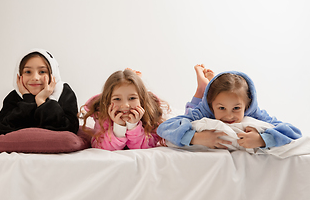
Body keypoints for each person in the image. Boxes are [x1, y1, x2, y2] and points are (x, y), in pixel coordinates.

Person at [157, 66, 302, 149]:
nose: (229, 116)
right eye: (221, 108)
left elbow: (295, 133)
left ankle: (207, 84)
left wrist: (263, 139)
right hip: (200, 104)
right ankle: (202, 88)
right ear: (211, 104)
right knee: (189, 111)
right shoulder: (203, 110)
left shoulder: (256, 112)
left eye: (236, 108)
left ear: (247, 104)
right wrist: (196, 137)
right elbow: (165, 128)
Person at [0, 48, 79, 135]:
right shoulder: (14, 96)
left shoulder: (64, 93)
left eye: (42, 71)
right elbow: (0, 129)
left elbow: (69, 129)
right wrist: (28, 100)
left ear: (53, 74)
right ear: (19, 75)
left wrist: (42, 101)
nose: (35, 78)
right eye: (28, 72)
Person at [79, 68, 169, 151]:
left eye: (132, 98)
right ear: (108, 101)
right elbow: (99, 147)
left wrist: (133, 126)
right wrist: (118, 128)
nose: (125, 105)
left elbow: (147, 147)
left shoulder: (150, 116)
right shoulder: (103, 117)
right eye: (117, 99)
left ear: (141, 100)